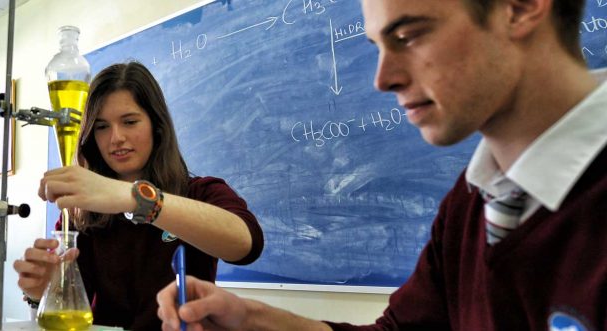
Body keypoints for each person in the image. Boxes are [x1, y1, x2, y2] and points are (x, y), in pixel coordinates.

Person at [157, 0, 607, 330]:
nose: (382, 78)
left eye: (409, 35)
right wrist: (247, 317)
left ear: (521, 7)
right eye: (376, 45)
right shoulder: (472, 202)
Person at [13, 62, 265, 330]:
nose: (116, 138)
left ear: (156, 125)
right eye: (101, 127)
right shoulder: (81, 213)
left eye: (130, 121)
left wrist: (137, 198)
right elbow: (71, 304)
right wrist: (42, 290)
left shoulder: (200, 192)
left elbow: (245, 245)